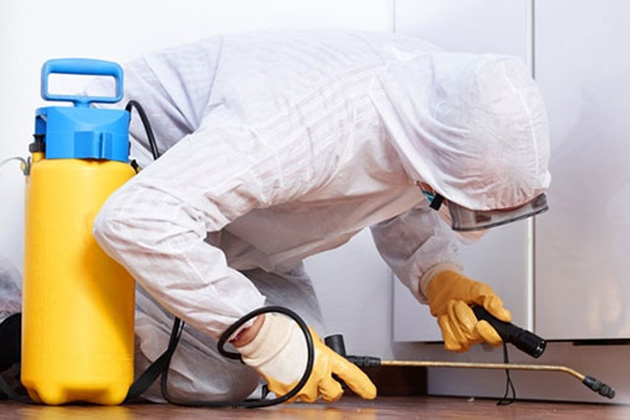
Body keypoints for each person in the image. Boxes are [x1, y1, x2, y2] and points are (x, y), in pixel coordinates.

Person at [2, 29, 551, 403]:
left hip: (242, 220)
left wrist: (439, 276)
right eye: (448, 196)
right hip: (136, 182)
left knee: (297, 354)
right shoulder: (305, 124)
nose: (442, 203)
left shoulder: (439, 102)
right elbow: (138, 220)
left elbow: (400, 181)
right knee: (225, 372)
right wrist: (262, 333)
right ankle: (23, 321)